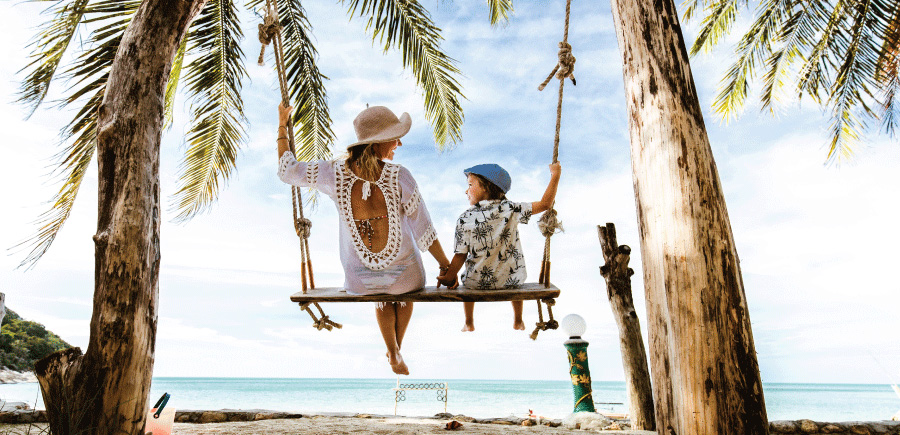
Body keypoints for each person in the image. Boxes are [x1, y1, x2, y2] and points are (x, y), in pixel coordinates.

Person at [276, 103, 453, 375]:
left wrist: (281, 125)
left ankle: (393, 351)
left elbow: (287, 171)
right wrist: (446, 267)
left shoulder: (332, 173)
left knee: (380, 296)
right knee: (406, 293)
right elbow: (424, 230)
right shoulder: (400, 175)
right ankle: (395, 351)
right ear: (378, 142)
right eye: (395, 136)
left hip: (360, 279)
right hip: (407, 276)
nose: (400, 143)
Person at [437, 162, 561, 332]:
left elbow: (460, 255)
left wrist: (449, 278)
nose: (466, 190)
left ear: (486, 187)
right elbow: (545, 204)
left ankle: (468, 321)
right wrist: (555, 175)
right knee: (514, 270)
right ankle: (518, 320)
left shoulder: (464, 218)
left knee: (468, 278)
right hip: (512, 282)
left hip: (476, 283)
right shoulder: (512, 209)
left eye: (470, 185)